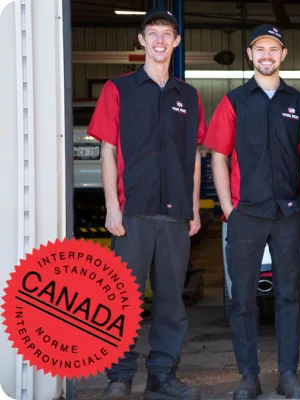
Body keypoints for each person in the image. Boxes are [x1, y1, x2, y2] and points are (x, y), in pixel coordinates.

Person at [88, 7, 205, 400]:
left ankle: (162, 378)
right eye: (152, 33)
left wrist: (193, 209)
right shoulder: (117, 89)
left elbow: (193, 158)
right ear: (141, 40)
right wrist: (111, 207)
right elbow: (107, 150)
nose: (158, 40)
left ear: (176, 41)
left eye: (166, 34)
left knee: (171, 304)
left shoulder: (187, 96)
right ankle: (119, 378)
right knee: (122, 300)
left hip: (175, 215)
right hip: (133, 211)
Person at [202, 24, 300, 400]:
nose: (267, 55)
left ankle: (288, 375)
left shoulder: (299, 103)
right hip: (246, 215)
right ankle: (248, 377)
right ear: (251, 55)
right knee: (243, 300)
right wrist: (228, 208)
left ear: (283, 55)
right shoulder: (234, 102)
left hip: (288, 213)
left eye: (274, 49)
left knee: (289, 296)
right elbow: (218, 156)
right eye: (260, 49)